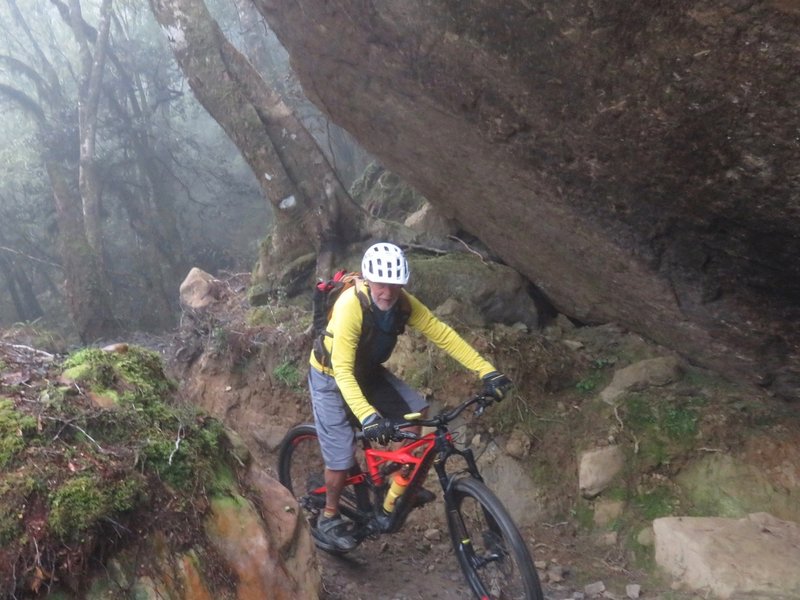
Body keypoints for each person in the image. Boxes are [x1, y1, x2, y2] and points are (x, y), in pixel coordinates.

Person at [307, 242, 512, 551]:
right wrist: (368, 416)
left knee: (416, 413)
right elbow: (343, 371)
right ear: (367, 279)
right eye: (380, 284)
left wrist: (487, 371)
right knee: (340, 456)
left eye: (395, 285)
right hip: (330, 376)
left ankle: (399, 488)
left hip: (367, 372)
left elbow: (443, 334)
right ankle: (329, 515)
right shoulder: (351, 305)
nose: (387, 292)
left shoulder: (404, 304)